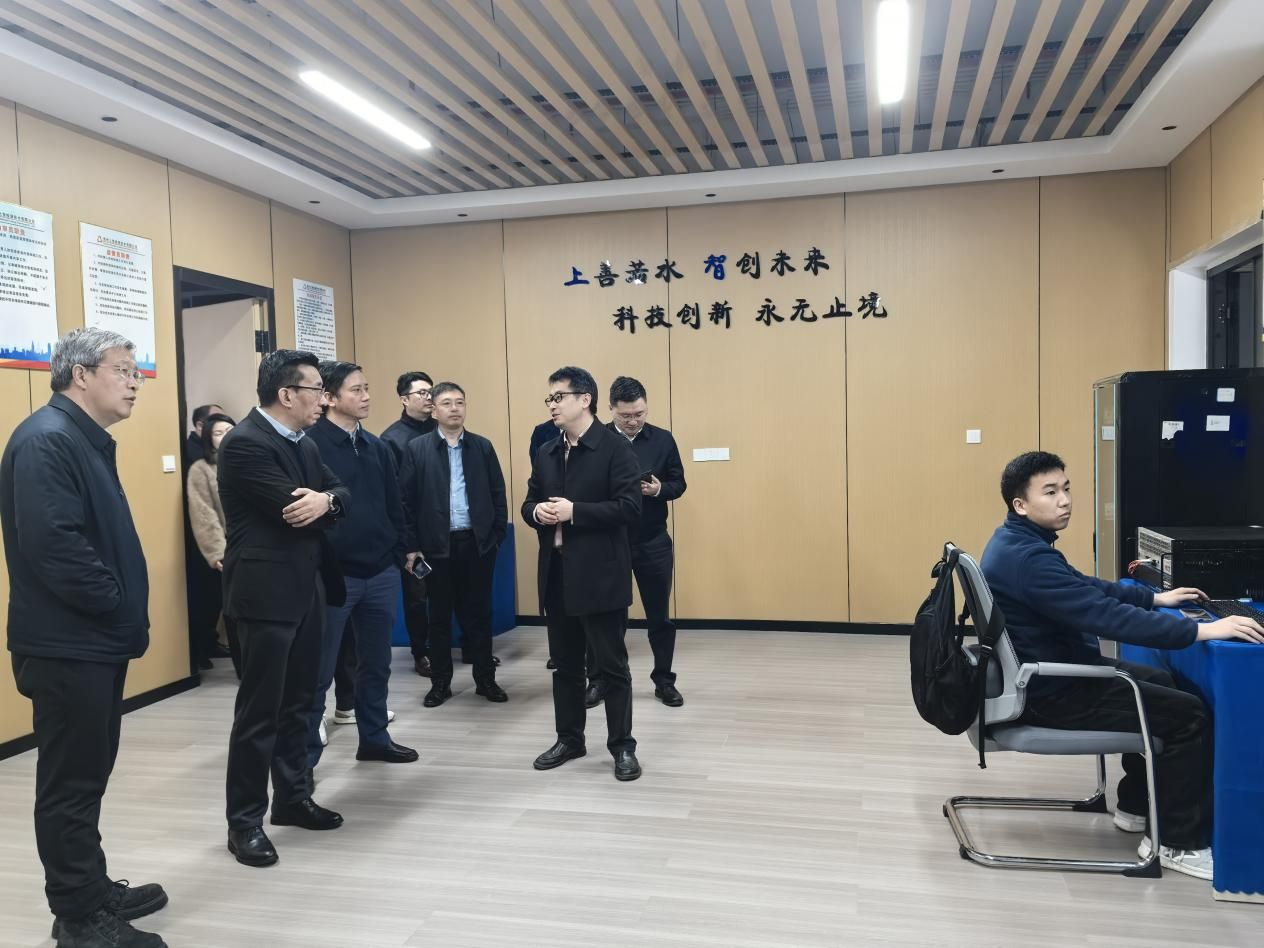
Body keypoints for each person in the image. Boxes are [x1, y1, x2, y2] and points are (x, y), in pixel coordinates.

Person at [980, 450, 1264, 881]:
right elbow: (1105, 617)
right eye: (1050, 492)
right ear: (1021, 504)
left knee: (1167, 683)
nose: (1065, 500)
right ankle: (1176, 842)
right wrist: (1201, 630)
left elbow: (1084, 587)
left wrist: (1153, 598)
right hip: (1053, 692)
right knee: (1188, 717)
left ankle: (1134, 805)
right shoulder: (1029, 560)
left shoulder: (1016, 542)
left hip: (1050, 675)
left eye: (1066, 488)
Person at [1, 328, 168, 948]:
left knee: (87, 775)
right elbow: (56, 548)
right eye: (123, 370)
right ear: (80, 375)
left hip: (87, 642)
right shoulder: (48, 439)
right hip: (68, 644)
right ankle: (77, 917)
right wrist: (116, 603)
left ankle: (91, 889)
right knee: (70, 784)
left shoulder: (79, 438)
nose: (135, 382)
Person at [219, 349, 352, 868]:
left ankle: (293, 799)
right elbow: (290, 509)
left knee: (301, 703)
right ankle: (244, 822)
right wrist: (322, 503)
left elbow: (338, 493)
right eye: (317, 389)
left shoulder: (304, 443)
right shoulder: (245, 443)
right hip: (264, 595)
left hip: (307, 588)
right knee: (260, 713)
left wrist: (327, 500)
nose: (324, 398)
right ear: (286, 394)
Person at [523, 367, 643, 781]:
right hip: (557, 574)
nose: (552, 405)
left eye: (559, 397)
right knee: (567, 667)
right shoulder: (546, 450)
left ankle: (622, 747)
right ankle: (570, 739)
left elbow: (630, 507)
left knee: (611, 669)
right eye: (550, 399)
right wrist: (536, 512)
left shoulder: (614, 448)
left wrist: (576, 512)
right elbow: (529, 502)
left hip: (600, 576)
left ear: (585, 399)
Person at [305, 361, 417, 767]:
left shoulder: (377, 446)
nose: (366, 397)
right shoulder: (310, 445)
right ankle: (304, 762)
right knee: (318, 670)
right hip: (335, 575)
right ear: (329, 397)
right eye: (356, 390)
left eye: (367, 388)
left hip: (380, 571)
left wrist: (400, 550)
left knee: (377, 664)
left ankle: (374, 739)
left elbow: (395, 504)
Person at [399, 382, 509, 707]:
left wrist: (495, 535)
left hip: (476, 544)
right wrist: (411, 546)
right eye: (446, 403)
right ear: (433, 409)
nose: (455, 408)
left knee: (480, 615)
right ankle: (440, 684)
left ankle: (485, 680)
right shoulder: (417, 449)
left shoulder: (482, 447)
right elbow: (405, 502)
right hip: (435, 547)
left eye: (460, 402)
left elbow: (498, 494)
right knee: (439, 617)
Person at [589, 376, 687, 708]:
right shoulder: (597, 440)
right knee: (607, 619)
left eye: (639, 414)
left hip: (652, 541)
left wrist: (659, 489)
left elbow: (679, 483)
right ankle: (600, 680)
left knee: (660, 618)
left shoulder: (663, 439)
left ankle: (664, 681)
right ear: (610, 409)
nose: (633, 421)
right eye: (626, 415)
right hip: (609, 543)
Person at [380, 371, 436, 678]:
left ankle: (461, 647)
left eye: (431, 392)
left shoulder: (443, 430)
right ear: (404, 399)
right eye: (422, 393)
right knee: (417, 597)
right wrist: (409, 542)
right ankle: (421, 652)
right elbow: (396, 497)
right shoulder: (392, 439)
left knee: (452, 592)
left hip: (446, 529)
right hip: (412, 533)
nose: (429, 398)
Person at [186, 412, 241, 678]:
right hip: (227, 550)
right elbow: (203, 514)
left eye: (229, 430)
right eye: (218, 433)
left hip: (254, 547)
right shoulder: (201, 469)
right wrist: (218, 552)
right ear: (208, 439)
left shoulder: (247, 460)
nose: (225, 436)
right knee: (231, 610)